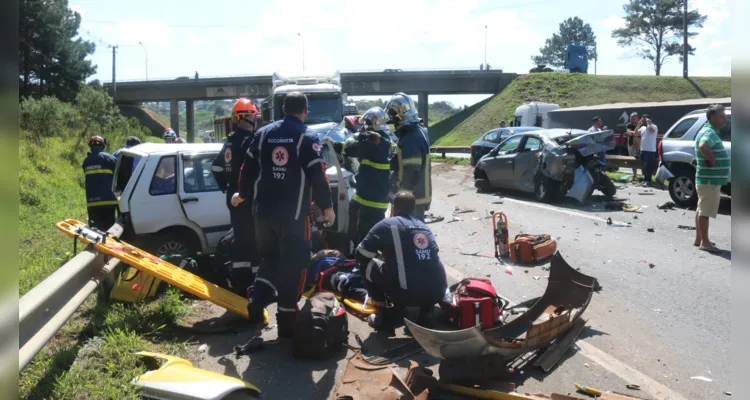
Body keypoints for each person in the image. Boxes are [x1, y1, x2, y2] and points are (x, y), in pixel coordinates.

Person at [233, 91, 335, 337]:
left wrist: (242, 194)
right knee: (296, 264)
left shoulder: (262, 134)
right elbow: (318, 174)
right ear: (305, 110)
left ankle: (257, 298)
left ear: (282, 110)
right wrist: (327, 206)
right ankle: (287, 321)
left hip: (262, 214)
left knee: (270, 258)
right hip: (294, 217)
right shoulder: (307, 136)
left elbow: (247, 168)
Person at [355, 190, 448, 332]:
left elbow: (360, 254)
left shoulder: (387, 225)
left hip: (407, 294)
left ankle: (384, 313)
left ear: (393, 208)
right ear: (413, 209)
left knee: (367, 265)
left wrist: (381, 256)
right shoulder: (423, 226)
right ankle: (424, 312)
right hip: (437, 292)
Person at [211, 98, 261, 293]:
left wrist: (226, 188)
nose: (255, 120)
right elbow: (256, 171)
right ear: (247, 118)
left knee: (240, 238)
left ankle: (240, 284)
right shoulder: (250, 141)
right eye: (253, 116)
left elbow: (215, 167)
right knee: (255, 240)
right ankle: (256, 285)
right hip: (247, 196)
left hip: (232, 195)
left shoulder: (229, 142)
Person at [330, 107, 394, 246]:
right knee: (357, 222)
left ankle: (364, 259)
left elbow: (351, 148)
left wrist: (337, 144)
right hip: (368, 196)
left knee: (367, 236)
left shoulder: (375, 143)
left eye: (365, 125)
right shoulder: (384, 140)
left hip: (370, 200)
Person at [386, 92, 432, 221]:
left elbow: (412, 172)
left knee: (407, 236)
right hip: (415, 199)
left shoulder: (411, 137)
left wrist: (402, 200)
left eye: (394, 120)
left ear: (399, 116)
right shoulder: (415, 132)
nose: (394, 124)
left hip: (411, 201)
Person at [694, 105, 729, 253]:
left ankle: (699, 239)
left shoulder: (709, 130)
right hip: (709, 180)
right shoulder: (709, 132)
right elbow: (703, 146)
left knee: (701, 209)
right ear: (713, 117)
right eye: (722, 116)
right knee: (705, 211)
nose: (725, 119)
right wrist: (713, 161)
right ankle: (705, 242)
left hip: (706, 179)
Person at [83, 136, 118, 230]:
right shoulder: (111, 159)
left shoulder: (86, 161)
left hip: (92, 201)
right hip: (109, 201)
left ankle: (93, 244)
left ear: (90, 146)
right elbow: (119, 177)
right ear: (103, 146)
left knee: (94, 230)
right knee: (109, 229)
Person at [636, 114, 658, 185]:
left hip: (650, 150)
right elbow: (636, 133)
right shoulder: (642, 128)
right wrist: (638, 124)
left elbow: (651, 131)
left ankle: (649, 180)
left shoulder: (654, 127)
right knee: (644, 166)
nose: (643, 121)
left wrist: (649, 123)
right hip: (643, 149)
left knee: (648, 166)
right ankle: (645, 179)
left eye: (645, 119)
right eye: (643, 119)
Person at [624, 112, 640, 177]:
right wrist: (635, 133)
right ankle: (634, 175)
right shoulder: (628, 125)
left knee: (640, 160)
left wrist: (633, 133)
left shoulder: (641, 125)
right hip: (631, 144)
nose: (632, 119)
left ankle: (643, 175)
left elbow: (635, 134)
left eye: (634, 118)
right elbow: (630, 133)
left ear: (637, 118)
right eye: (631, 118)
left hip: (640, 144)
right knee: (632, 160)